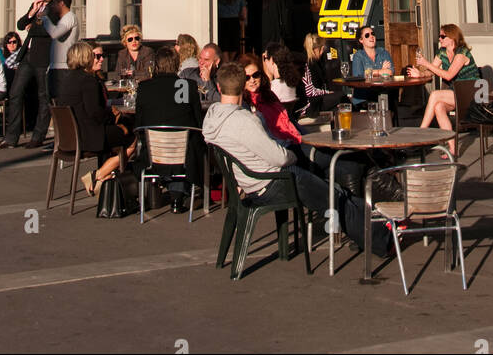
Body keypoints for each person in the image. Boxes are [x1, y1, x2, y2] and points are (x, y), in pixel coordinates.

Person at [202, 62, 389, 255]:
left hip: (251, 180)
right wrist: (292, 155)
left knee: (335, 187)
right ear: (243, 87)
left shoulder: (212, 117)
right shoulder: (244, 121)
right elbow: (279, 158)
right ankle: (383, 239)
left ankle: (380, 224)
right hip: (272, 181)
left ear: (218, 87)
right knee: (333, 197)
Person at [134, 46, 204, 212]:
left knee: (170, 138)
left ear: (156, 65)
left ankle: (159, 191)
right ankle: (178, 196)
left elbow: (138, 123)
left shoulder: (145, 87)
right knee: (187, 138)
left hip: (153, 153)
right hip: (183, 154)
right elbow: (197, 122)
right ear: (177, 65)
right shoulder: (187, 85)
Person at [63, 41, 135, 199]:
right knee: (132, 137)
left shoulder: (67, 79)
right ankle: (98, 175)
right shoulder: (88, 80)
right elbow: (95, 113)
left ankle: (103, 178)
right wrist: (114, 117)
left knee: (121, 130)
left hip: (70, 138)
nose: (97, 59)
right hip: (90, 136)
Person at [0, 0, 56, 149]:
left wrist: (33, 27)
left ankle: (38, 136)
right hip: (27, 55)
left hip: (43, 56)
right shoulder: (37, 6)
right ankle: (11, 138)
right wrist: (32, 12)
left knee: (43, 96)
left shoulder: (55, 8)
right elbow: (20, 24)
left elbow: (49, 30)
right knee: (15, 92)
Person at [409, 23, 480, 146]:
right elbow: (431, 71)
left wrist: (426, 63)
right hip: (456, 93)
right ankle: (453, 148)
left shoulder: (461, 53)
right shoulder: (442, 52)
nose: (439, 39)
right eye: (439, 36)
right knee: (439, 107)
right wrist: (420, 74)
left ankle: (421, 132)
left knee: (435, 95)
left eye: (442, 36)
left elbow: (448, 75)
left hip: (471, 93)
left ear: (452, 38)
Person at [240, 53, 302, 145]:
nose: (252, 80)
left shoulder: (269, 94)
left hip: (293, 139)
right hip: (277, 146)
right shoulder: (244, 103)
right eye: (247, 77)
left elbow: (287, 119)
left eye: (256, 75)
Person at [42, 0, 79, 103]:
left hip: (64, 68)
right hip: (55, 67)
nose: (52, 6)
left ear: (61, 3)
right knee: (54, 102)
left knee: (62, 102)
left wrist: (44, 17)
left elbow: (55, 34)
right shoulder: (62, 19)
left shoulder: (70, 17)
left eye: (54, 3)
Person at [301, 34, 338, 116]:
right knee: (342, 97)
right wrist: (327, 92)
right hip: (311, 104)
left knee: (338, 106)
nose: (322, 53)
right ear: (317, 49)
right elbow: (310, 91)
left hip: (315, 99)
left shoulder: (308, 62)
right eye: (322, 49)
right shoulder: (310, 65)